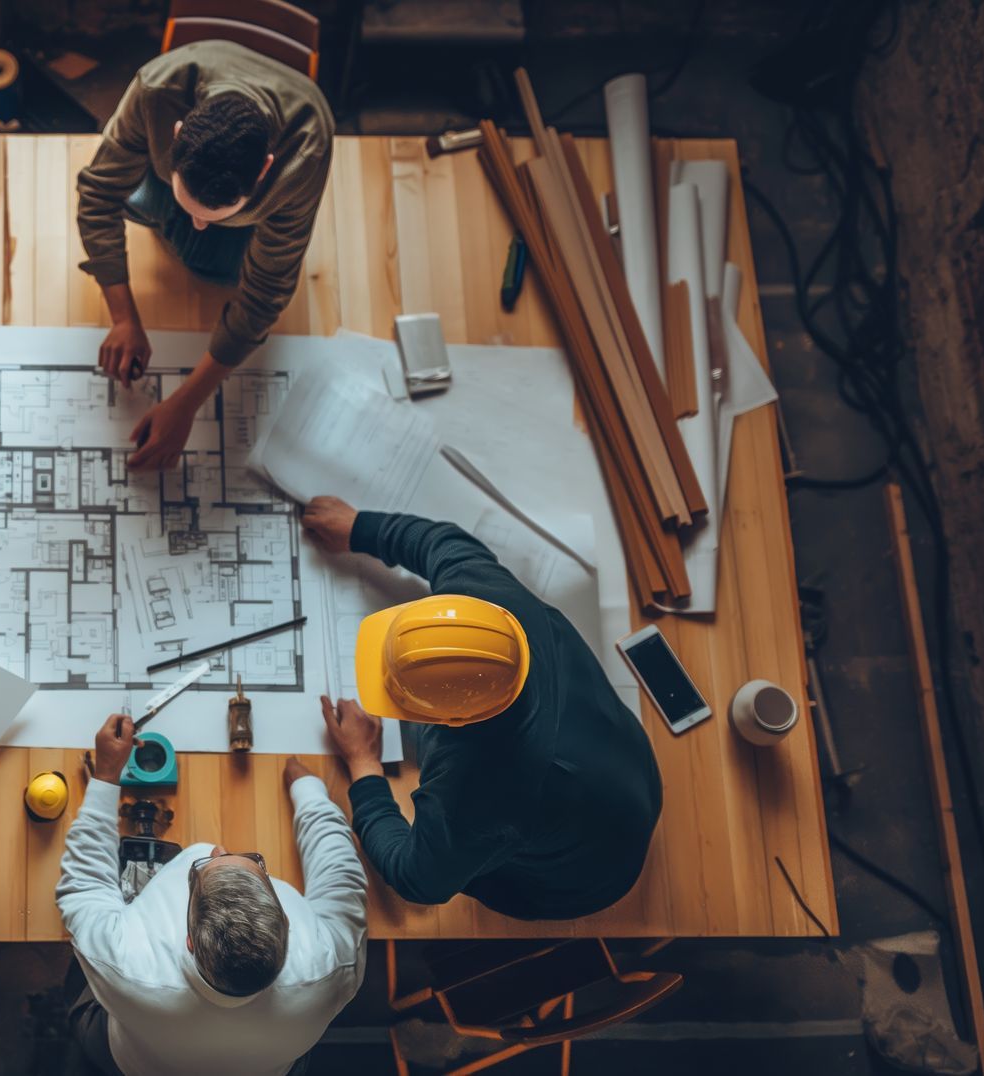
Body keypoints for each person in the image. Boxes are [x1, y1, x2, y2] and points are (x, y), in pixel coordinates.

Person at [301, 495, 664, 918]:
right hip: (630, 770)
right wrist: (361, 527)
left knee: (477, 869)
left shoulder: (482, 792)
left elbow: (417, 878)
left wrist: (364, 764)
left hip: (584, 879)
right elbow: (442, 542)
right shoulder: (489, 605)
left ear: (454, 719)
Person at [57, 713, 367, 1075]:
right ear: (285, 920)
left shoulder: (127, 965)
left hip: (132, 1062)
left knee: (82, 986)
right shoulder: (332, 963)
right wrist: (310, 793)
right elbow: (340, 873)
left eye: (205, 868)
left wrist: (107, 775)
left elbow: (84, 884)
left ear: (188, 940)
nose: (218, 849)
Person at [75, 40, 334, 472]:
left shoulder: (304, 156)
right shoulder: (156, 90)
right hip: (167, 171)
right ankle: (197, 203)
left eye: (215, 215)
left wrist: (186, 401)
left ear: (266, 169)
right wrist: (122, 317)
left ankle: (206, 209)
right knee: (151, 214)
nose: (195, 224)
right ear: (176, 135)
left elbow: (265, 294)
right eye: (189, 205)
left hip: (238, 203)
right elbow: (98, 193)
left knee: (207, 263)